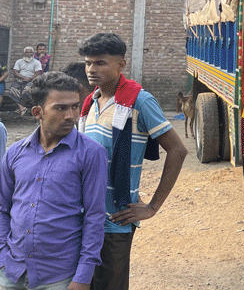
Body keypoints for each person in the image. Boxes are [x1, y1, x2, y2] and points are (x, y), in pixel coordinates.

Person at [78, 33, 187, 290]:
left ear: (121, 65)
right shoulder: (89, 102)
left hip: (114, 219)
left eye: (100, 63)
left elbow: (177, 150)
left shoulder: (139, 100)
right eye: (88, 63)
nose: (91, 70)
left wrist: (152, 206)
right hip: (83, 216)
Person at [0, 72, 108, 290]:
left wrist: (83, 276)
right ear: (37, 112)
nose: (71, 115)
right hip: (11, 272)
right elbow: (2, 208)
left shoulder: (91, 153)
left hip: (59, 276)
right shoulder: (15, 153)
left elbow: (94, 217)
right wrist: (2, 257)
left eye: (75, 107)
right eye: (60, 108)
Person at [7, 48, 43, 115]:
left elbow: (38, 73)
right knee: (12, 90)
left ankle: (20, 108)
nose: (29, 54)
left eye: (30, 52)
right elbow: (15, 72)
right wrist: (23, 77)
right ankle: (22, 108)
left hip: (31, 80)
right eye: (27, 52)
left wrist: (30, 78)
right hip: (20, 80)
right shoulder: (19, 61)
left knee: (26, 91)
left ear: (33, 53)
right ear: (24, 53)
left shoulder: (36, 62)